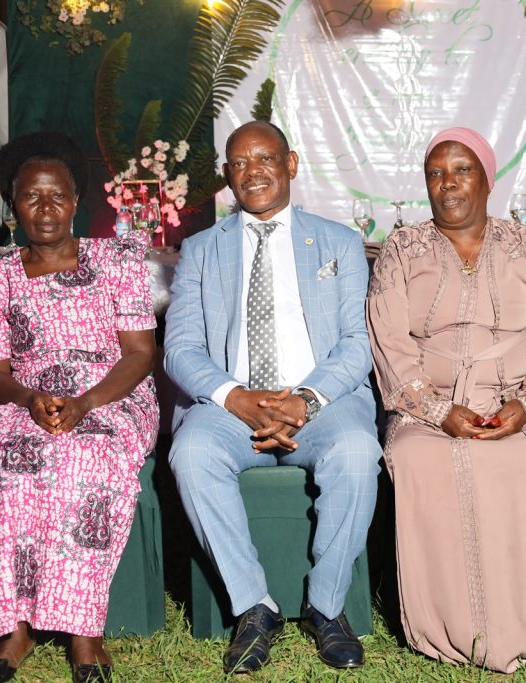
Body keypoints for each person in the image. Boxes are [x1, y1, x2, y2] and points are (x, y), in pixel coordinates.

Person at [367, 127, 526, 673]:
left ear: (487, 179)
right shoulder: (402, 248)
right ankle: (457, 628)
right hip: (428, 406)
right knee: (420, 457)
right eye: (436, 173)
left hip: (521, 402)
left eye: (462, 170)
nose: (448, 184)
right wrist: (435, 410)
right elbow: (391, 344)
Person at [0, 132, 159, 683]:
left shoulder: (118, 259)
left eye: (57, 196)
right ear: (12, 205)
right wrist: (30, 399)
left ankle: (85, 634)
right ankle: (14, 627)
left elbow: (140, 354)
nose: (46, 208)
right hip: (21, 396)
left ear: (77, 201)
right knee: (15, 454)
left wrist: (85, 403)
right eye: (31, 197)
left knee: (86, 456)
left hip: (110, 393)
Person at [164, 121, 382, 673]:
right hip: (232, 407)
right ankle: (253, 605)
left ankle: (326, 607)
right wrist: (237, 398)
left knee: (358, 453)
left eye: (265, 159)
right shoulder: (201, 250)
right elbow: (181, 349)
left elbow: (359, 344)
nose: (253, 171)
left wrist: (305, 399)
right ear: (226, 177)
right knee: (191, 454)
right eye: (239, 163)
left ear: (291, 163)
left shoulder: (339, 242)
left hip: (321, 405)